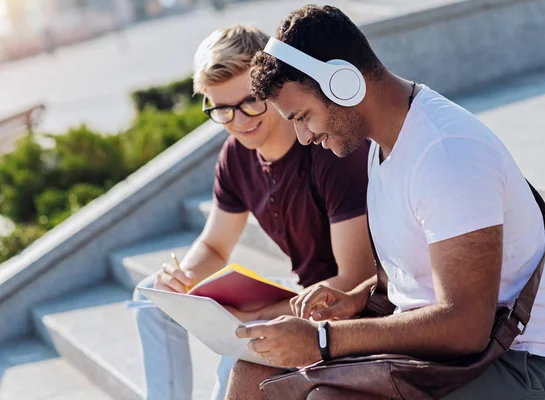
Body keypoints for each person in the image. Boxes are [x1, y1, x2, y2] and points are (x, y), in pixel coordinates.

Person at [227, 5, 545, 400]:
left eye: (303, 116)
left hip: (525, 367)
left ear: (344, 84)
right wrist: (357, 298)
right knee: (254, 366)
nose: (303, 137)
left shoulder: (446, 154)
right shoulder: (381, 146)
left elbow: (466, 326)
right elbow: (420, 274)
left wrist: (325, 340)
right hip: (446, 357)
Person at [132, 24, 375, 400]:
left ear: (271, 87)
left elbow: (354, 277)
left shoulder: (325, 147)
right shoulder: (236, 155)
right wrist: (182, 279)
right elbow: (214, 246)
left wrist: (258, 313)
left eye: (250, 102)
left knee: (243, 349)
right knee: (151, 295)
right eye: (223, 110)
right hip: (299, 295)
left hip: (347, 307)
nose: (239, 121)